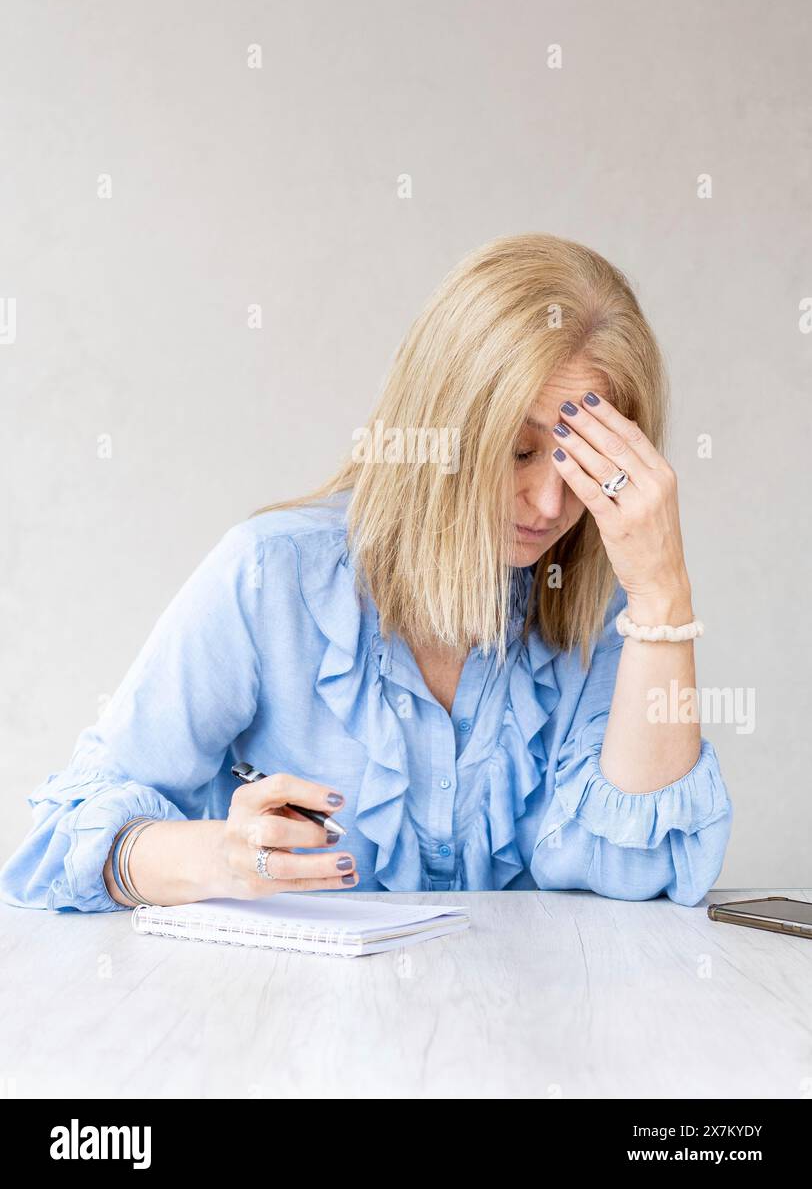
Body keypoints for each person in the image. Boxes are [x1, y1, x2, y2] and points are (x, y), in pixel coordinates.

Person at [0, 232, 732, 912]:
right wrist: (217, 856)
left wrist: (663, 593)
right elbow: (60, 844)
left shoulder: (608, 611)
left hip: (519, 1034)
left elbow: (639, 873)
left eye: (582, 465)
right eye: (517, 452)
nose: (548, 503)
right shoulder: (272, 576)